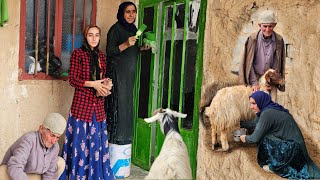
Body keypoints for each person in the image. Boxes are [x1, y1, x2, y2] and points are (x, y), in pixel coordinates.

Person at [60, 25, 114, 179]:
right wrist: (93, 84)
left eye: (97, 35)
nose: (94, 38)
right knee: (80, 144)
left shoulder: (101, 57)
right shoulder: (78, 54)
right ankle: (79, 175)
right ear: (85, 36)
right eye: (91, 35)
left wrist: (106, 84)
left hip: (98, 106)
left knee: (96, 144)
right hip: (81, 107)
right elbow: (73, 79)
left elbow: (103, 78)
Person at [240, 91, 320, 179]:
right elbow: (254, 123)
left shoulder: (267, 114)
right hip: (296, 146)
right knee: (266, 134)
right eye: (250, 103)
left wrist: (245, 138)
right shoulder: (267, 108)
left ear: (260, 101)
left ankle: (275, 167)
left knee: (264, 138)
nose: (251, 107)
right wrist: (238, 123)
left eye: (254, 104)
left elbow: (254, 138)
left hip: (294, 150)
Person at [105, 1, 149, 145]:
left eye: (133, 11)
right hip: (117, 73)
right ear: (122, 13)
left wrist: (141, 48)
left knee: (127, 105)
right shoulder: (115, 29)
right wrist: (125, 44)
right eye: (128, 12)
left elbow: (131, 50)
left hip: (129, 75)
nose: (131, 15)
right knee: (118, 105)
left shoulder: (133, 29)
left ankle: (126, 140)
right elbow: (110, 51)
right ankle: (116, 141)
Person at [0, 113, 67, 180]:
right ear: (41, 129)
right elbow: (15, 167)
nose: (53, 141)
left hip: (33, 174)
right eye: (52, 135)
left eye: (57, 137)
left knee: (60, 162)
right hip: (15, 175)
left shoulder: (55, 147)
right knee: (2, 170)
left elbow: (50, 174)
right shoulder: (29, 140)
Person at [239, 10, 286, 101]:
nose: (267, 29)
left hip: (270, 79)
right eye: (265, 26)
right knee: (255, 105)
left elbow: (277, 63)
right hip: (254, 78)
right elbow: (249, 63)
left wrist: (269, 81)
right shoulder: (252, 39)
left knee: (271, 103)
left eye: (270, 26)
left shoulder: (279, 40)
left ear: (274, 25)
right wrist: (254, 83)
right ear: (259, 25)